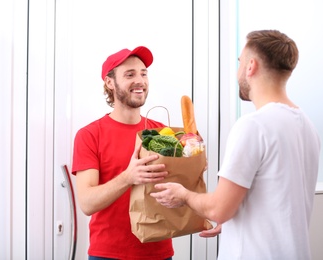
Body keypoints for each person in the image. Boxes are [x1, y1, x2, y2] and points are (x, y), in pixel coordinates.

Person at [150, 30, 321, 260]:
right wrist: (235, 221)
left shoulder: (253, 126)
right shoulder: (307, 126)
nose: (238, 70)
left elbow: (218, 209)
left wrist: (183, 195)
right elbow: (276, 197)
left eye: (239, 62)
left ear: (251, 66)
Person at [71, 46, 220, 260]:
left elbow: (178, 188)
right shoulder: (90, 135)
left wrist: (193, 168)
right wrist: (128, 177)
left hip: (159, 252)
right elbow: (87, 203)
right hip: (108, 254)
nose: (140, 80)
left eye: (143, 73)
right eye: (130, 74)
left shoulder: (162, 132)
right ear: (109, 82)